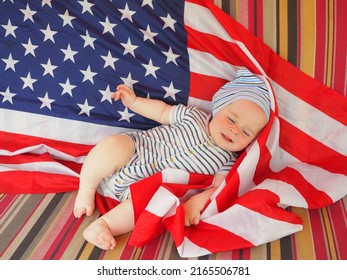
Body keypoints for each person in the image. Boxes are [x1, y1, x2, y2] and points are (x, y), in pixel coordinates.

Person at [74, 68, 271, 250]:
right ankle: (87, 187)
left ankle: (103, 225)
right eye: (232, 119)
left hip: (141, 189)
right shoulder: (194, 116)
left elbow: (215, 190)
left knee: (152, 205)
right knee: (113, 145)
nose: (234, 130)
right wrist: (134, 102)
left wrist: (195, 203)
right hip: (135, 152)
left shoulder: (227, 161)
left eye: (246, 132)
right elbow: (162, 111)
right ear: (218, 108)